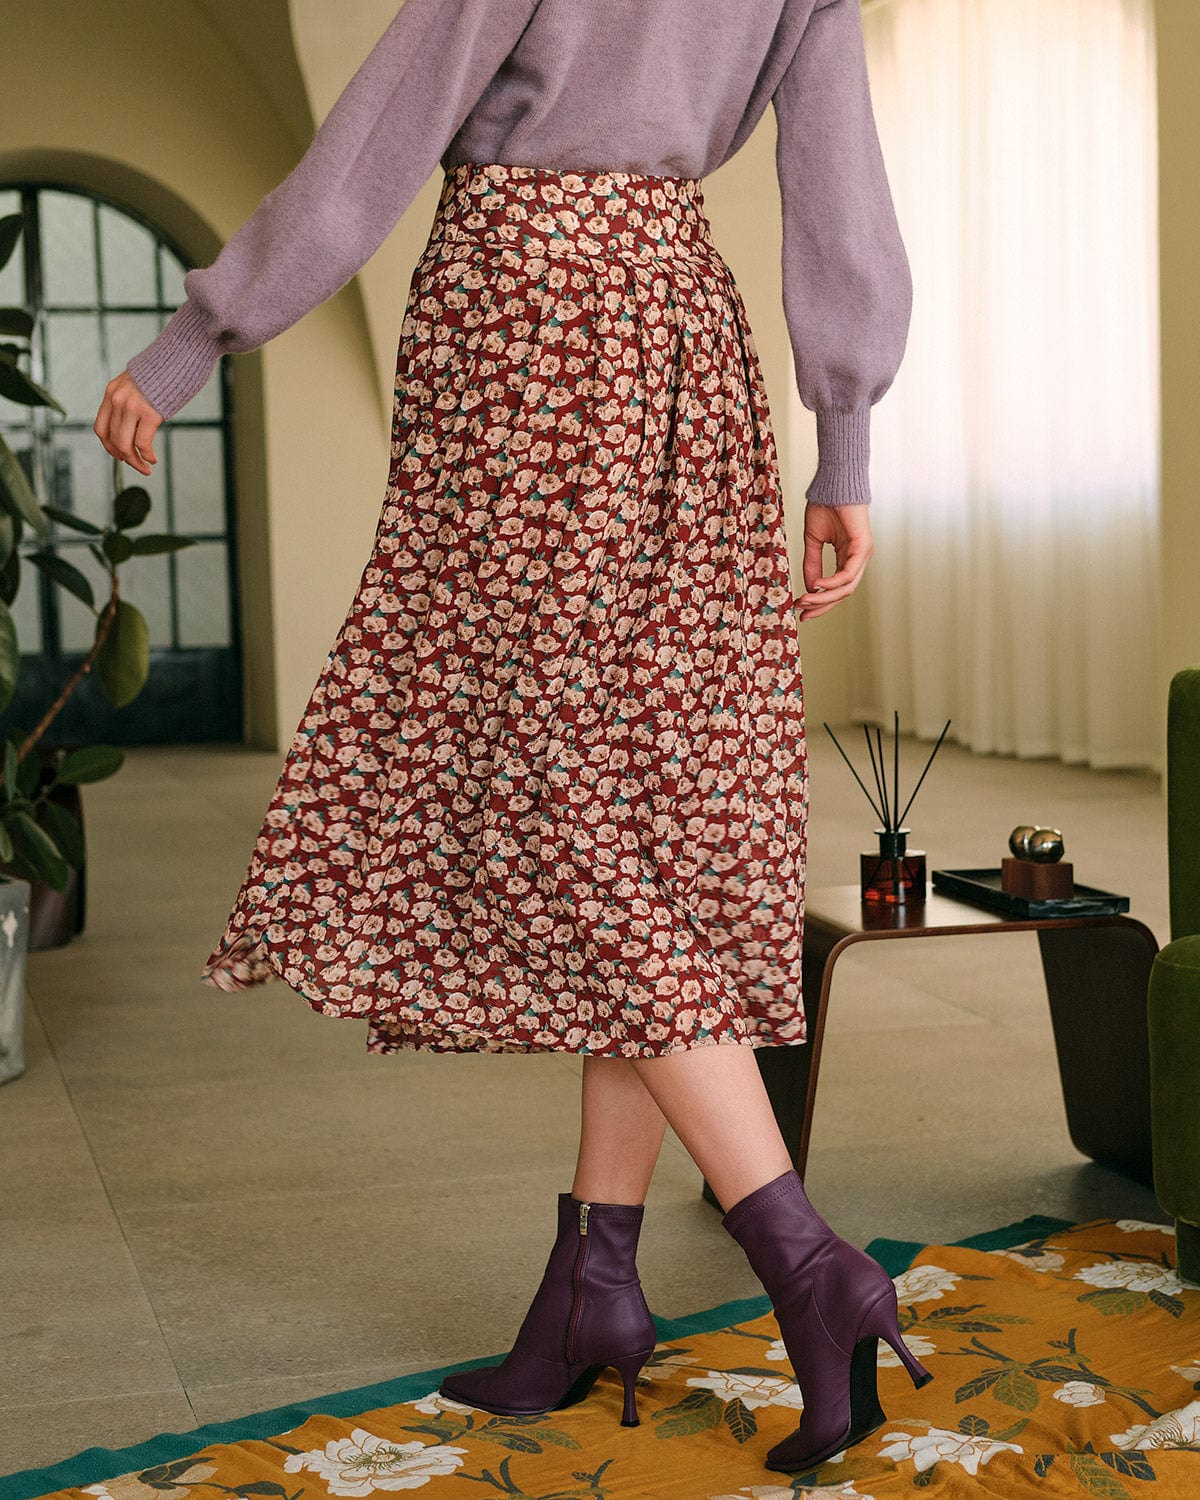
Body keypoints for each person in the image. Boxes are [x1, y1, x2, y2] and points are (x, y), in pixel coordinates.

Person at [93, 0, 924, 1477]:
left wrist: (195, 336)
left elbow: (386, 124)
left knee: (563, 810)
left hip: (523, 330)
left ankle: (807, 1264)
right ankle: (592, 1287)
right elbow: (838, 173)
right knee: (628, 811)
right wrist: (842, 443)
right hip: (681, 332)